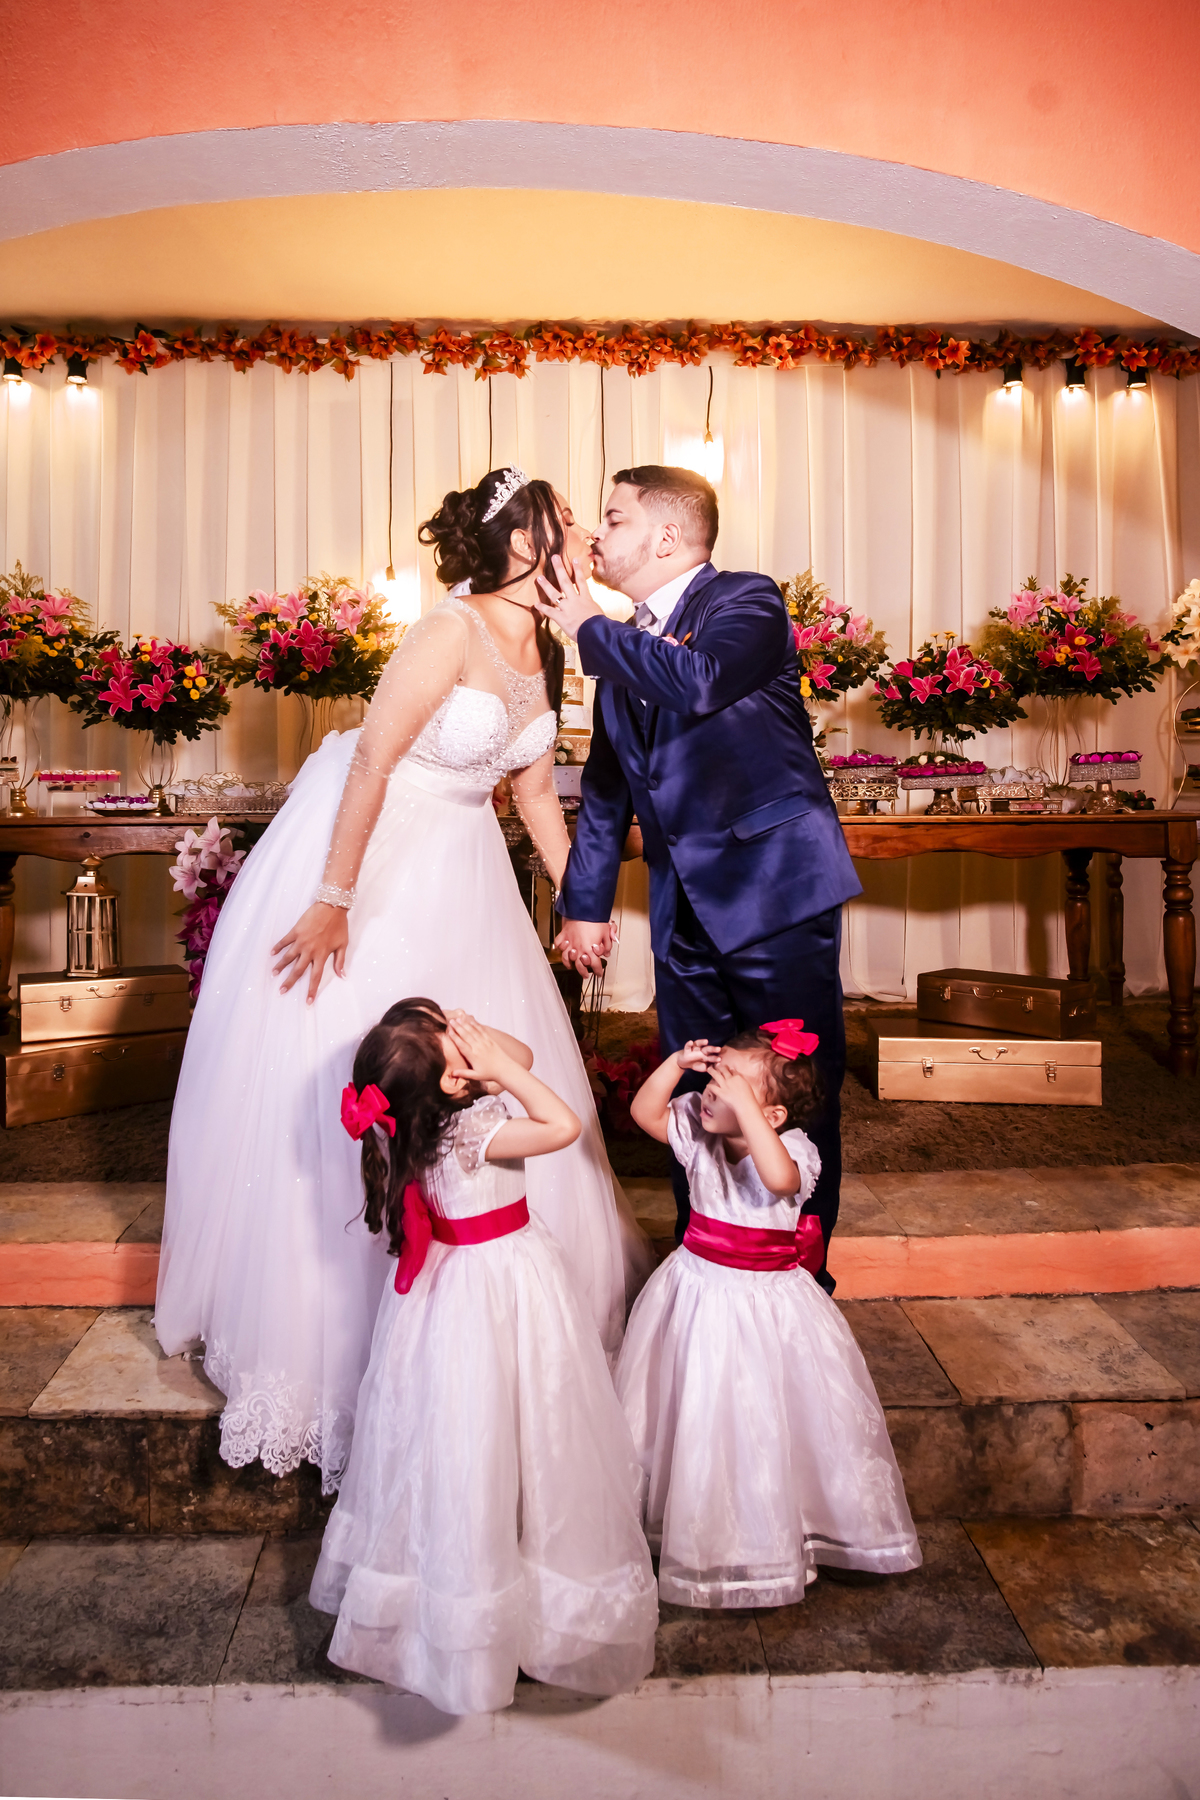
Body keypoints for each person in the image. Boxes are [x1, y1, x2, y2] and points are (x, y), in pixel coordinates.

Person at [155, 468, 649, 1495]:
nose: (576, 535)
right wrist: (334, 896)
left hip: (469, 866)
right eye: (561, 520)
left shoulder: (544, 641)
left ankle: (510, 1320)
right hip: (379, 856)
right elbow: (374, 762)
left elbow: (528, 785)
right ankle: (333, 1337)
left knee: (484, 1064)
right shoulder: (447, 631)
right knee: (366, 1054)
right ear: (517, 538)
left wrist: (578, 903)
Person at [533, 465, 862, 1287]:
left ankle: (799, 1274)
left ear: (667, 538)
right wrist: (583, 906)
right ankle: (707, 1262)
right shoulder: (625, 646)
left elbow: (704, 681)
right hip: (686, 912)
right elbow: (609, 789)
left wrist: (586, 625)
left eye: (613, 518)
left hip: (778, 893)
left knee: (796, 1085)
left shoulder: (747, 601)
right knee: (694, 1083)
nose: (598, 536)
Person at [309, 1001, 658, 1715]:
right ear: (454, 1088)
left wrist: (477, 1054)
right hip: (505, 1289)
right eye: (457, 1051)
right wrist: (494, 1068)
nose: (475, 1048)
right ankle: (494, 1609)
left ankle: (482, 1576)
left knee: (468, 1436)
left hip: (446, 1298)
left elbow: (517, 1054)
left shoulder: (407, 1122)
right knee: (510, 1430)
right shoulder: (476, 1132)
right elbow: (562, 1124)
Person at [615, 1023, 921, 1607]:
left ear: (774, 1117)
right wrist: (681, 1065)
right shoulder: (696, 1134)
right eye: (716, 1076)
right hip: (698, 1292)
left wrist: (749, 1115)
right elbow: (643, 1112)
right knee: (695, 1406)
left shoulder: (795, 1152)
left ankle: (782, 1530)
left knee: (763, 1416)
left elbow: (778, 1179)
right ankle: (690, 1525)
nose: (713, 1092)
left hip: (766, 1309)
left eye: (730, 1084)